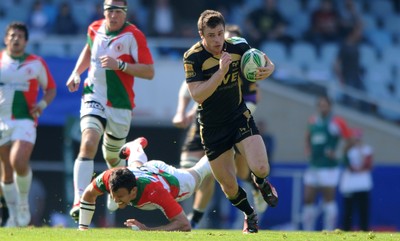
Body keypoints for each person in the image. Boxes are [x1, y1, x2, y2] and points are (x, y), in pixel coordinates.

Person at [182, 10, 277, 234]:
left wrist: (269, 68)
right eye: (211, 35)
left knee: (261, 167)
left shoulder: (237, 45)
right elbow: (197, 95)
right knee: (229, 187)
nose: (217, 40)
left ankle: (262, 184)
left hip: (238, 116)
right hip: (212, 128)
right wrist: (220, 72)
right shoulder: (192, 57)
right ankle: (250, 214)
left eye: (220, 34)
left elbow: (266, 60)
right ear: (201, 34)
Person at [65, 0, 154, 221]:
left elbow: (149, 71)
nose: (112, 15)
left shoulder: (134, 35)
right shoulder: (94, 28)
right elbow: (88, 48)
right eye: (109, 10)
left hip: (120, 105)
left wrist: (121, 65)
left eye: (117, 11)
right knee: (88, 142)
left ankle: (113, 186)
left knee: (113, 159)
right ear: (103, 11)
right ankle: (79, 199)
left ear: (125, 13)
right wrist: (76, 72)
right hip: (93, 96)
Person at [77, 137, 211, 231]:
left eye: (120, 196)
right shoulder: (108, 177)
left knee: (200, 172)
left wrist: (146, 230)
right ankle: (135, 146)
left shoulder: (154, 192)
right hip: (147, 168)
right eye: (113, 195)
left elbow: (184, 225)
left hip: (174, 181)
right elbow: (88, 195)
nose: (117, 200)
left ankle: (218, 150)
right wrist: (83, 228)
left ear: (134, 191)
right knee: (135, 166)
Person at [0, 21, 57, 227]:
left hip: (25, 120)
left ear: (25, 41)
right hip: (1, 121)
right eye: (12, 35)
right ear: (6, 38)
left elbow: (50, 88)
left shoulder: (36, 63)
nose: (15, 39)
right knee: (6, 172)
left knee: (19, 161)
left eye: (20, 36)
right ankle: (13, 216)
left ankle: (23, 202)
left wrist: (41, 104)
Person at [302, 95, 352, 231]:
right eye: (320, 105)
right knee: (307, 198)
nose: (322, 108)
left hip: (329, 167)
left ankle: (329, 230)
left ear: (330, 106)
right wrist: (308, 150)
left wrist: (339, 153)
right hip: (314, 164)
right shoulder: (313, 121)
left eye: (325, 105)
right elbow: (308, 137)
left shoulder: (337, 122)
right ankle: (308, 231)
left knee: (328, 199)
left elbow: (349, 139)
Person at [339, 128, 373, 231]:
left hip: (363, 184)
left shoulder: (367, 150)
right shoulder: (348, 150)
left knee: (363, 210)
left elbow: (368, 165)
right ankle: (346, 231)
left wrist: (361, 153)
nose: (356, 141)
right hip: (350, 185)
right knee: (348, 210)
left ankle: (365, 231)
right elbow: (346, 163)